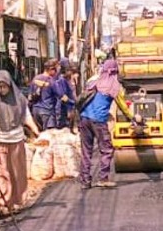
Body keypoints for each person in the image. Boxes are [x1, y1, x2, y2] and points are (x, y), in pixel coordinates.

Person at [0, 70, 39, 218]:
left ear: (10, 85)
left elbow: (26, 116)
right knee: (2, 173)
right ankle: (2, 203)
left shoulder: (19, 98)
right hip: (0, 141)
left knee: (17, 172)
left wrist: (36, 131)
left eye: (5, 86)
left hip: (17, 140)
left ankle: (15, 202)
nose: (2, 90)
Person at [78, 59, 136, 190]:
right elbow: (122, 106)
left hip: (84, 118)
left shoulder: (93, 82)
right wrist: (132, 118)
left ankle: (85, 181)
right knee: (107, 149)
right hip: (98, 121)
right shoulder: (114, 85)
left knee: (86, 151)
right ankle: (103, 178)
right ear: (115, 71)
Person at [53, 58, 76, 130]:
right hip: (63, 109)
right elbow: (63, 97)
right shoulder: (61, 80)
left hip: (65, 108)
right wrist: (73, 103)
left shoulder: (64, 79)